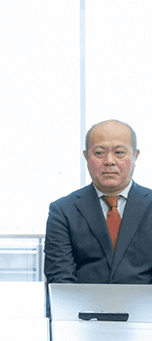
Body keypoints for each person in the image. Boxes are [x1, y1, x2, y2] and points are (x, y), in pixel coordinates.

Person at [44, 119, 152, 284]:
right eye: (99, 153)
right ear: (86, 156)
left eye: (119, 153)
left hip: (144, 307)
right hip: (81, 307)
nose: (109, 161)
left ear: (135, 156)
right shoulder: (63, 211)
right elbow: (60, 278)